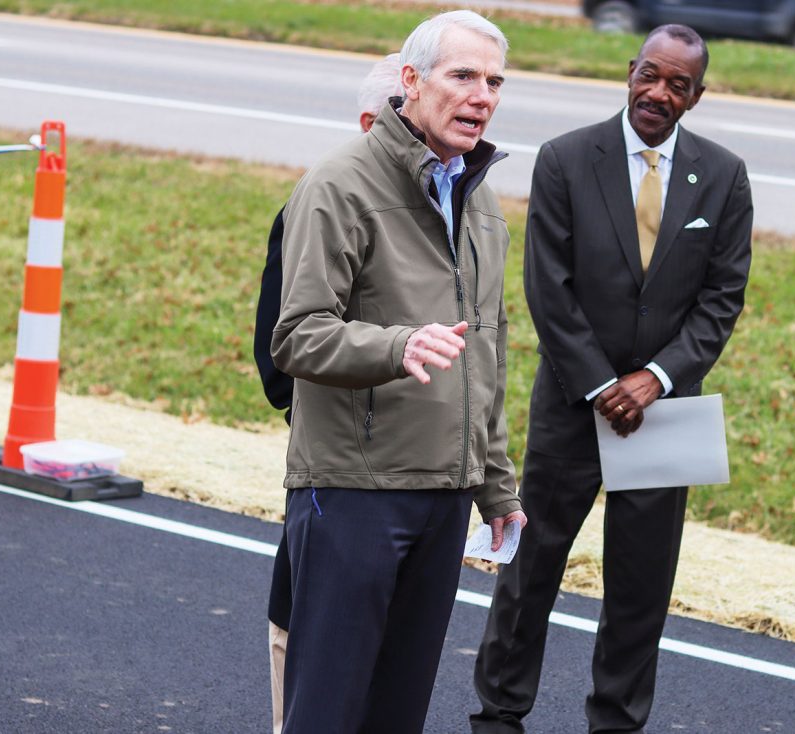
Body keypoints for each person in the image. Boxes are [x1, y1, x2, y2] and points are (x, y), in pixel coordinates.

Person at [471, 25, 753, 733]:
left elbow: (722, 298)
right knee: (533, 567)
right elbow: (549, 287)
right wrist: (602, 385)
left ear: (696, 96)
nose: (659, 93)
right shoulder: (566, 159)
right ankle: (499, 713)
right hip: (574, 400)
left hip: (667, 410)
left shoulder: (724, 175)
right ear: (630, 72)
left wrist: (656, 378)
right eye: (650, 75)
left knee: (641, 586)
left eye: (678, 85)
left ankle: (617, 722)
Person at [270, 10, 527, 734]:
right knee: (327, 713)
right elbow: (295, 335)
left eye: (495, 81)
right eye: (464, 75)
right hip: (354, 493)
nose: (482, 96)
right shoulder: (338, 185)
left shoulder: (481, 203)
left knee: (397, 715)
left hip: (445, 497)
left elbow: (485, 358)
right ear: (411, 81)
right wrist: (396, 347)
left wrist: (496, 486)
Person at [251, 52, 402, 734]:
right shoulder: (322, 199)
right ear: (371, 122)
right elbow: (278, 352)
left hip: (420, 476)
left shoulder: (458, 207)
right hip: (338, 464)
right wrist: (338, 410)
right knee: (309, 638)